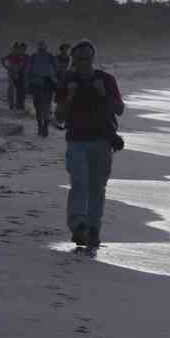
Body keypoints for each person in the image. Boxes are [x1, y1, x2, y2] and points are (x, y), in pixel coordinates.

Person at [54, 39, 124, 249]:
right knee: (79, 184)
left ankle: (93, 229)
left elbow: (119, 110)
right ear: (73, 60)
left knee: (97, 187)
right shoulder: (68, 80)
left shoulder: (106, 79)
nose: (83, 63)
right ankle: (78, 226)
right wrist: (71, 97)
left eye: (87, 58)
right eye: (79, 59)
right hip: (76, 140)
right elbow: (59, 117)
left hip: (102, 140)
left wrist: (102, 93)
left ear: (93, 58)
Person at [26, 40, 59, 137]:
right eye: (40, 49)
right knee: (39, 107)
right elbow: (28, 70)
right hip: (38, 84)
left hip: (46, 83)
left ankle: (44, 127)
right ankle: (42, 126)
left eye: (42, 48)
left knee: (45, 107)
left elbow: (56, 69)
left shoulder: (50, 57)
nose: (41, 50)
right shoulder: (34, 57)